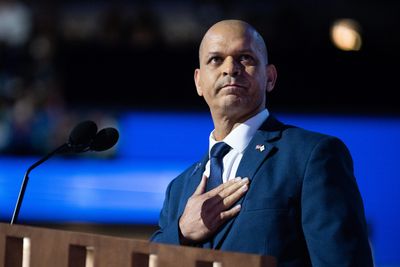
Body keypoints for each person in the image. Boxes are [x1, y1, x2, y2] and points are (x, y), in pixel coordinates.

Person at [150, 19, 373, 266]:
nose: (230, 68)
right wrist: (181, 231)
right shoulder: (179, 189)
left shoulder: (312, 156)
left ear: (270, 77)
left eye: (245, 58)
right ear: (198, 82)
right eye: (216, 59)